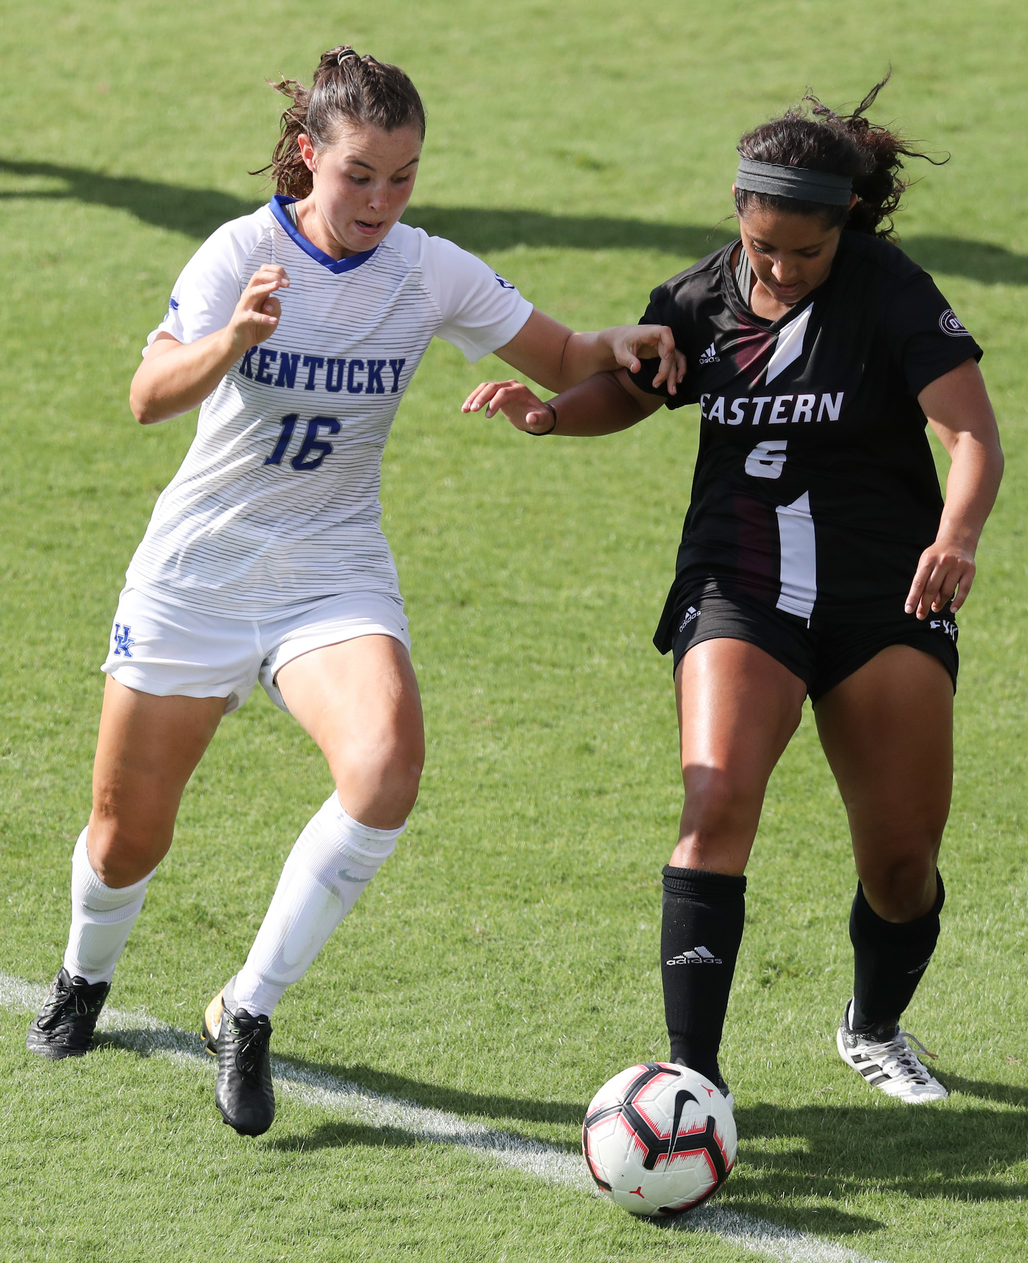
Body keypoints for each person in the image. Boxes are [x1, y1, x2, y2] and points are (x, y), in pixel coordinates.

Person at [25, 45, 685, 1137]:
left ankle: (246, 1008)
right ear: (307, 155)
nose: (382, 200)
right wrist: (234, 338)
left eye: (403, 176)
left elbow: (565, 353)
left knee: (385, 766)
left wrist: (616, 342)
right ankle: (83, 976)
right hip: (197, 575)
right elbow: (148, 395)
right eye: (359, 175)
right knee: (125, 836)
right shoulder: (240, 252)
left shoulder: (428, 269)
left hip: (330, 567)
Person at [463, 80, 1003, 1105]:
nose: (782, 269)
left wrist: (957, 535)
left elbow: (970, 433)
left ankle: (873, 1024)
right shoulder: (700, 298)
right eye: (763, 248)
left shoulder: (891, 291)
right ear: (737, 212)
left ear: (846, 220)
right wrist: (549, 415)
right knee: (713, 802)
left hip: (884, 592)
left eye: (807, 252)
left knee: (900, 866)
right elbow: (629, 390)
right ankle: (692, 1079)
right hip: (738, 582)